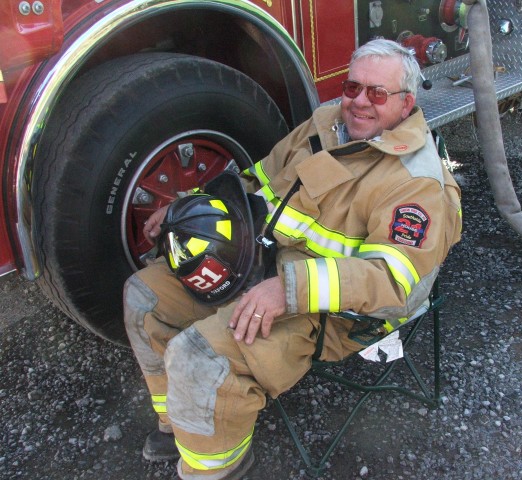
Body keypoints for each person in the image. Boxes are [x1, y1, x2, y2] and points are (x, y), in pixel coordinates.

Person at [124, 38, 462, 480]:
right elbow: (255, 184)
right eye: (352, 87)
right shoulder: (323, 126)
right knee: (143, 298)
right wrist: (191, 207)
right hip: (262, 264)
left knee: (199, 358)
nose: (359, 102)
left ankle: (217, 468)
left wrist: (288, 290)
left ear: (406, 104)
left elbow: (393, 283)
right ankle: (184, 426)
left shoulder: (415, 181)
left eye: (377, 94)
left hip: (331, 312)